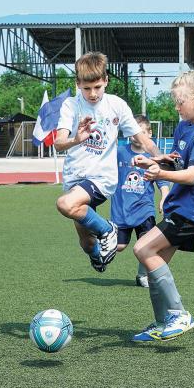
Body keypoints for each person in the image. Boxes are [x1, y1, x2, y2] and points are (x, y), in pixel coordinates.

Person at [130, 71, 194, 342]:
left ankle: (178, 314)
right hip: (183, 206)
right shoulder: (184, 125)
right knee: (154, 264)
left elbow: (192, 175)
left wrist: (160, 175)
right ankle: (162, 323)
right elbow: (178, 162)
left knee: (142, 248)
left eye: (180, 101)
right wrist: (155, 163)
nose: (176, 107)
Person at [53, 52, 160, 273]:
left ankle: (107, 229)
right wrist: (77, 139)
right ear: (78, 84)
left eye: (98, 87)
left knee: (64, 204)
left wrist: (160, 157)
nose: (92, 94)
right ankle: (97, 256)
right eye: (87, 88)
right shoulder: (70, 106)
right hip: (75, 178)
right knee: (86, 243)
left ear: (106, 81)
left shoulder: (117, 106)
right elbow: (59, 143)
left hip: (101, 178)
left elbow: (141, 138)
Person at [111, 115, 171, 288]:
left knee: (147, 243)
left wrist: (164, 196)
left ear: (149, 133)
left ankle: (142, 275)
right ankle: (98, 244)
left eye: (141, 133)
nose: (136, 137)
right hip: (121, 210)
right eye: (132, 133)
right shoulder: (120, 152)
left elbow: (162, 179)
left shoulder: (154, 155)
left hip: (145, 209)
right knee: (120, 246)